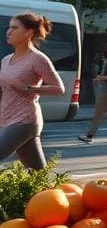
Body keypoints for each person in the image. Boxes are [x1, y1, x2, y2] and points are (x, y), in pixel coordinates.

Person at [0, 13, 64, 169]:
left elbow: (59, 88)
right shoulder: (6, 60)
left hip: (25, 120)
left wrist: (29, 88)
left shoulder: (37, 58)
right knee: (37, 172)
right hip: (6, 119)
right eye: (9, 27)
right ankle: (49, 193)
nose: (8, 31)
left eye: (14, 28)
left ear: (28, 32)